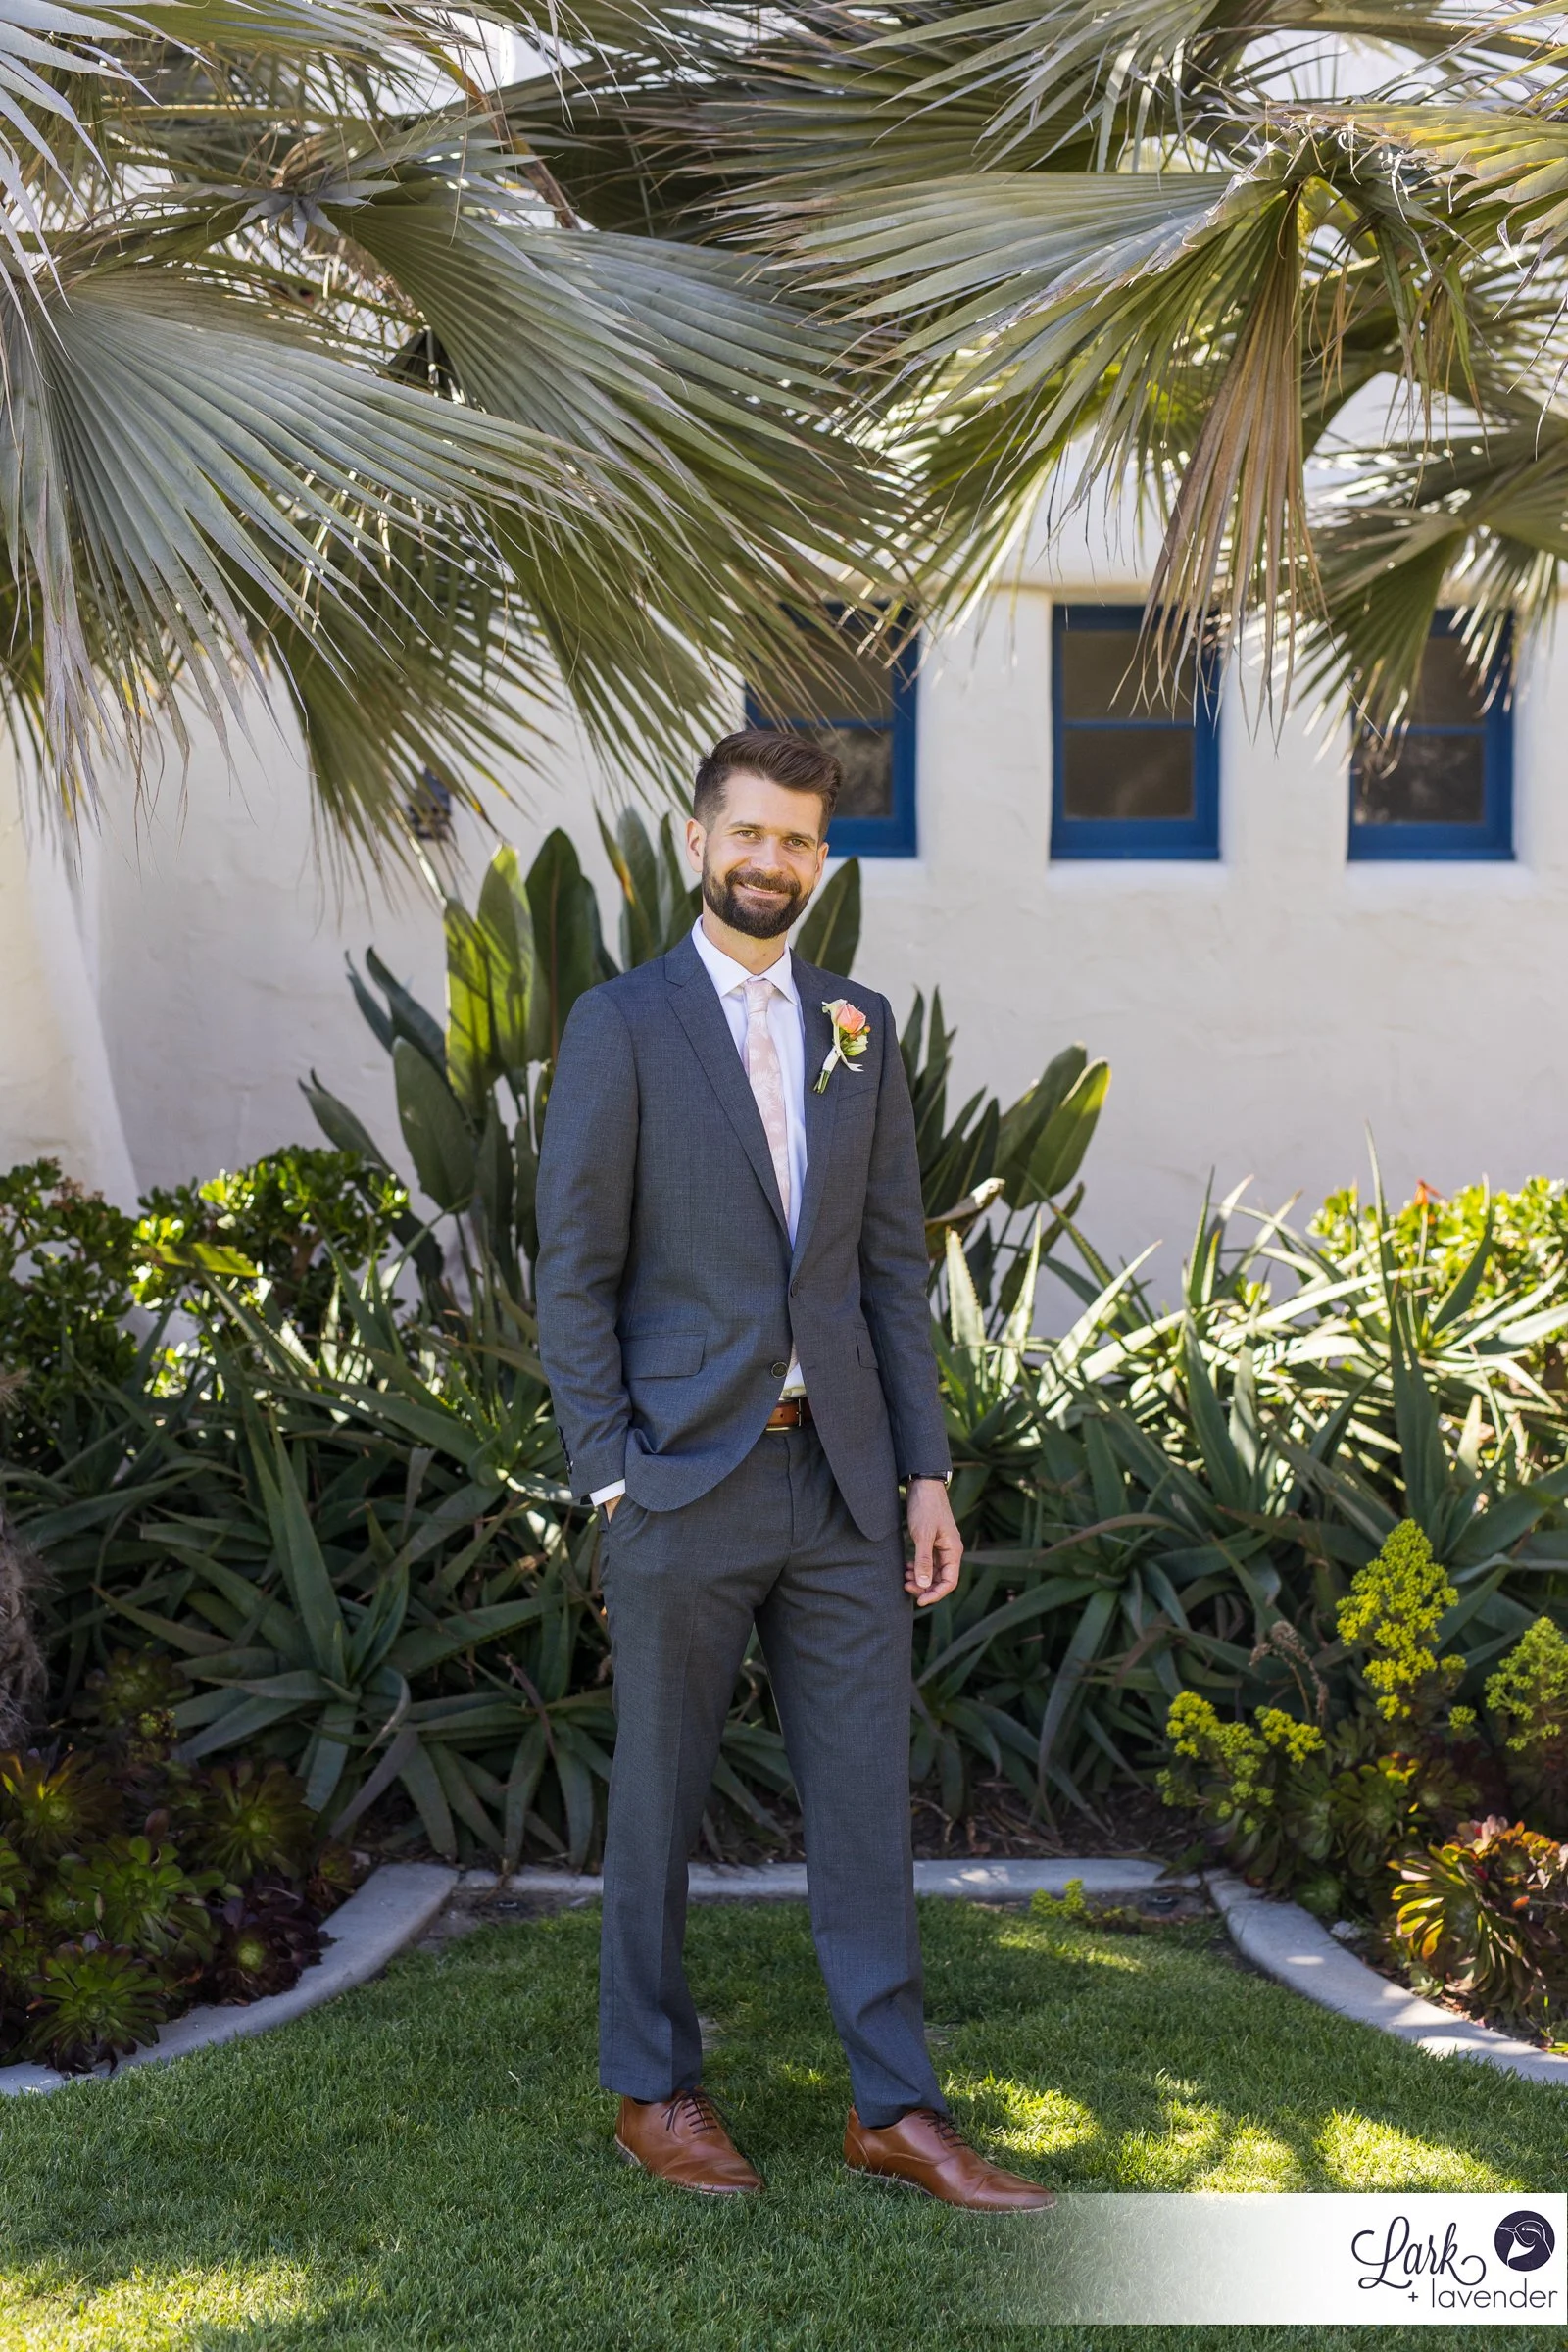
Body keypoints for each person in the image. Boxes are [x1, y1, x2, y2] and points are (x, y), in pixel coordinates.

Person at [535, 729, 1054, 2210]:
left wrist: (927, 1474)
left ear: (822, 862)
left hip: (842, 1487)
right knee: (658, 1798)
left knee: (862, 1800)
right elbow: (572, 1272)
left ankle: (895, 2109)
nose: (773, 864)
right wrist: (607, 1475)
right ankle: (652, 2089)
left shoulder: (859, 1027)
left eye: (800, 843)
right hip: (681, 1484)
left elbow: (894, 1267)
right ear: (697, 841)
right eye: (749, 836)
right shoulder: (620, 1025)